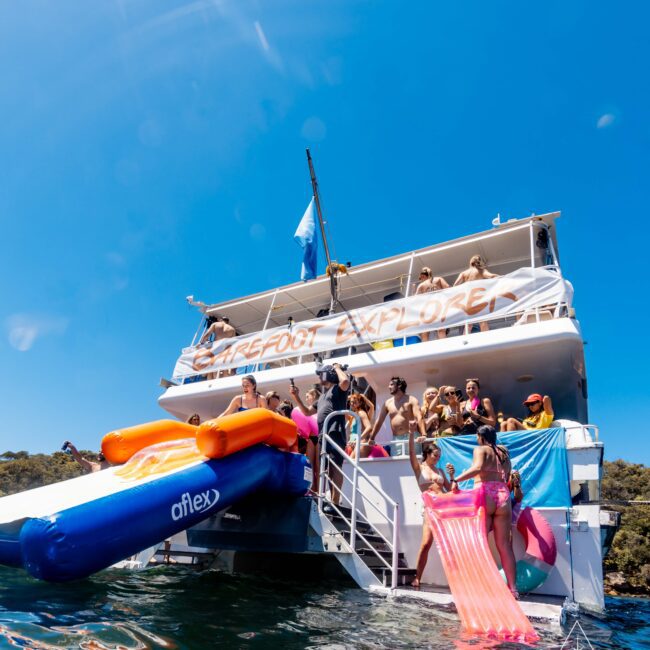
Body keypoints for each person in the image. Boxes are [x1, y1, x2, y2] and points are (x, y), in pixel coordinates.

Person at [450, 425, 518, 598]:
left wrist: (455, 479)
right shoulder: (504, 452)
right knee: (504, 545)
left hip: (485, 493)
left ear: (481, 436)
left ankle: (482, 586)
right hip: (503, 494)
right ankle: (513, 589)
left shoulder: (480, 449)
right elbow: (507, 473)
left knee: (480, 544)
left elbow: (478, 468)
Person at [290, 364, 350, 507]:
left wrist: (336, 367)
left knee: (335, 466)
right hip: (324, 434)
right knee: (328, 469)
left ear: (328, 374)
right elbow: (307, 412)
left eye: (321, 374)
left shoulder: (337, 389)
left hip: (334, 431)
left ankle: (335, 501)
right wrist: (296, 396)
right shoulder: (323, 396)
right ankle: (333, 500)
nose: (319, 377)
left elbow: (345, 382)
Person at [408, 430, 454, 588]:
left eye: (439, 456)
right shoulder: (419, 468)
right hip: (429, 508)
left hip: (444, 508)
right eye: (435, 455)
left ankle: (455, 579)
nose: (437, 458)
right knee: (426, 543)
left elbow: (452, 489)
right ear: (427, 453)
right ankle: (417, 577)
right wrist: (411, 434)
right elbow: (411, 452)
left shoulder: (440, 471)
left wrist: (452, 476)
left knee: (449, 544)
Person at [368, 377, 427, 453]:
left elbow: (419, 417)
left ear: (399, 386)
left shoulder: (412, 399)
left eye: (392, 384)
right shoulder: (387, 403)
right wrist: (371, 438)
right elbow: (379, 421)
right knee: (397, 464)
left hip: (412, 437)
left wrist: (424, 435)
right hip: (396, 439)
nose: (389, 387)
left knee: (414, 464)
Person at [454, 256, 499, 333]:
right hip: (478, 298)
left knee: (469, 323)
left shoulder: (464, 273)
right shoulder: (481, 271)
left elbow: (455, 285)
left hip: (467, 300)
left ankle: (466, 339)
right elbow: (491, 276)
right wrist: (503, 278)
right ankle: (485, 339)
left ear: (470, 263)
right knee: (482, 321)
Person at [416, 267, 450, 341]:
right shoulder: (439, 279)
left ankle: (426, 349)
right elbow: (447, 287)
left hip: (428, 310)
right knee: (441, 330)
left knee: (425, 332)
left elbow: (415, 300)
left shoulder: (421, 285)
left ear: (423, 276)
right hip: (439, 307)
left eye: (421, 278)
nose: (421, 280)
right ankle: (445, 346)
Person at [347, 393, 374, 459]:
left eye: (354, 402)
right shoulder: (353, 415)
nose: (352, 404)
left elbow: (369, 427)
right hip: (354, 444)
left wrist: (364, 397)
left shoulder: (361, 413)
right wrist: (347, 397)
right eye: (351, 402)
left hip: (360, 444)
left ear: (360, 403)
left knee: (352, 466)